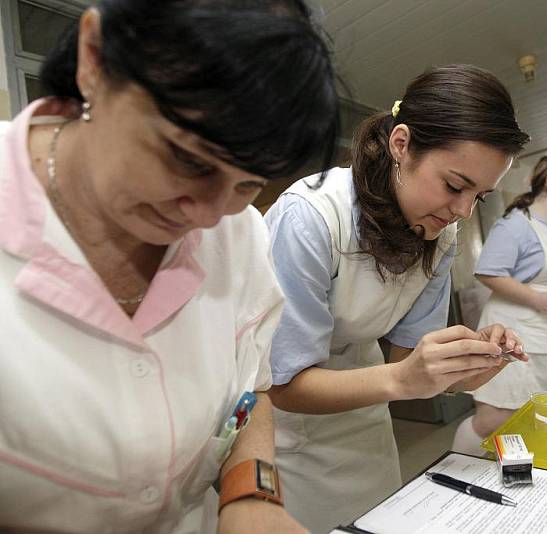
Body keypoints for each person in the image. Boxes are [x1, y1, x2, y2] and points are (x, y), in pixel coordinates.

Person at [0, 1, 339, 532]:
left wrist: (250, 494)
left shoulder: (241, 232)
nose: (208, 215)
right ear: (95, 58)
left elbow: (251, 392)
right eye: (188, 160)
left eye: (249, 183)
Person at [264, 64, 530, 533]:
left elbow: (411, 365)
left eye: (480, 197)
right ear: (401, 144)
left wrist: (466, 367)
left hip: (366, 419)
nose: (462, 211)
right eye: (454, 185)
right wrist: (404, 379)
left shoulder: (441, 237)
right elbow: (283, 384)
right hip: (286, 432)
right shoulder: (310, 218)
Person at [456, 156, 547, 450]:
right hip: (518, 332)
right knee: (497, 418)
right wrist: (535, 298)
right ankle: (456, 461)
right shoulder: (516, 225)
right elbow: (487, 271)